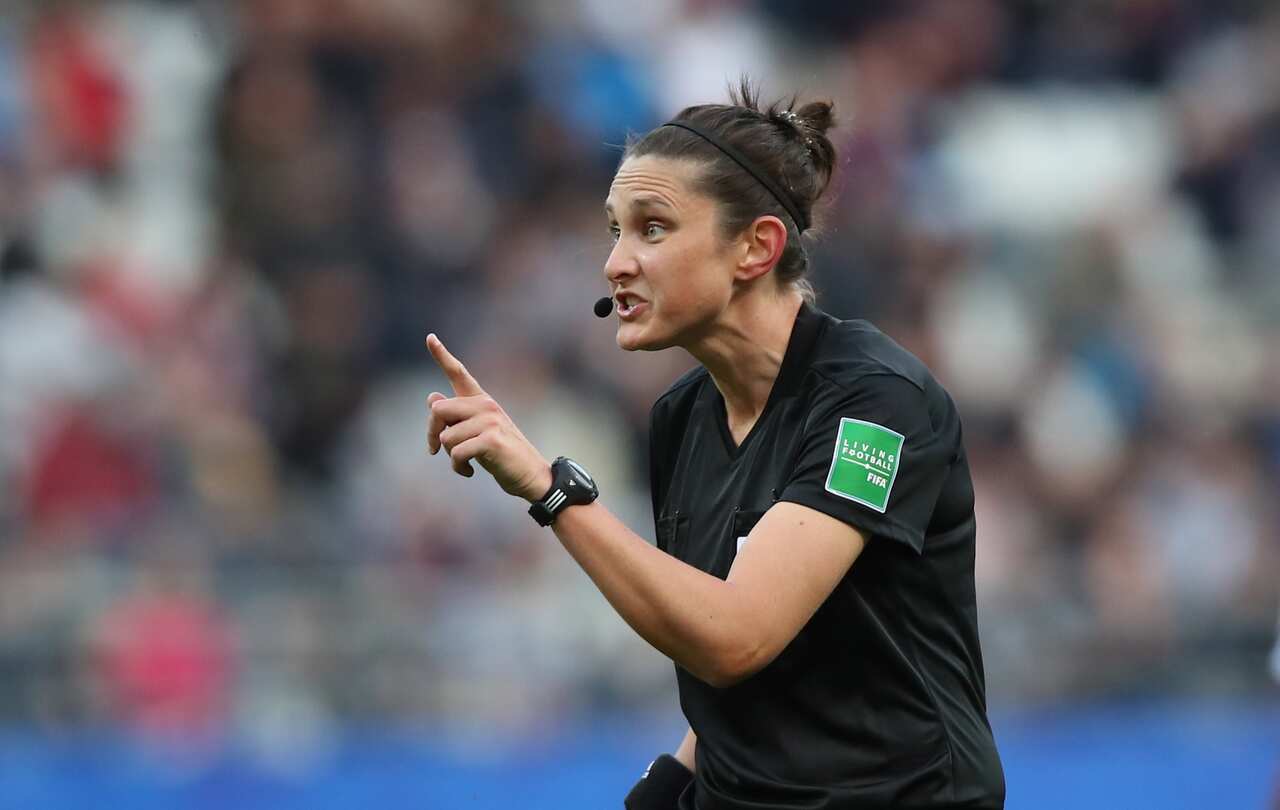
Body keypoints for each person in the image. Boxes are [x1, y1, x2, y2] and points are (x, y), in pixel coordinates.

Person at [424, 80, 1005, 810]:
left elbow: (737, 637)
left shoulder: (877, 404)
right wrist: (664, 789)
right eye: (615, 230)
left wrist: (551, 490)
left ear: (755, 247)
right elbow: (725, 651)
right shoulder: (681, 418)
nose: (616, 263)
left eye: (653, 228)